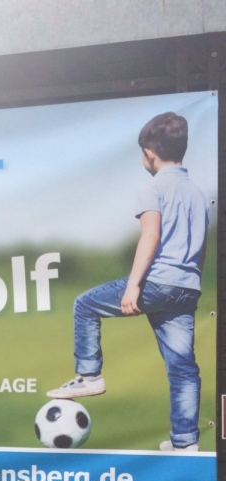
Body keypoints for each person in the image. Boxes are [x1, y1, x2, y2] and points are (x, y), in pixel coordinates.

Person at [47, 111, 208, 452]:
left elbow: (150, 236)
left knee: (85, 305)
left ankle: (89, 376)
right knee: (183, 369)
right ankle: (185, 443)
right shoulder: (197, 192)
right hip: (188, 286)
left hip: (159, 281)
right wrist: (192, 281)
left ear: (149, 152)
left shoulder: (152, 187)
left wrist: (134, 285)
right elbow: (202, 246)